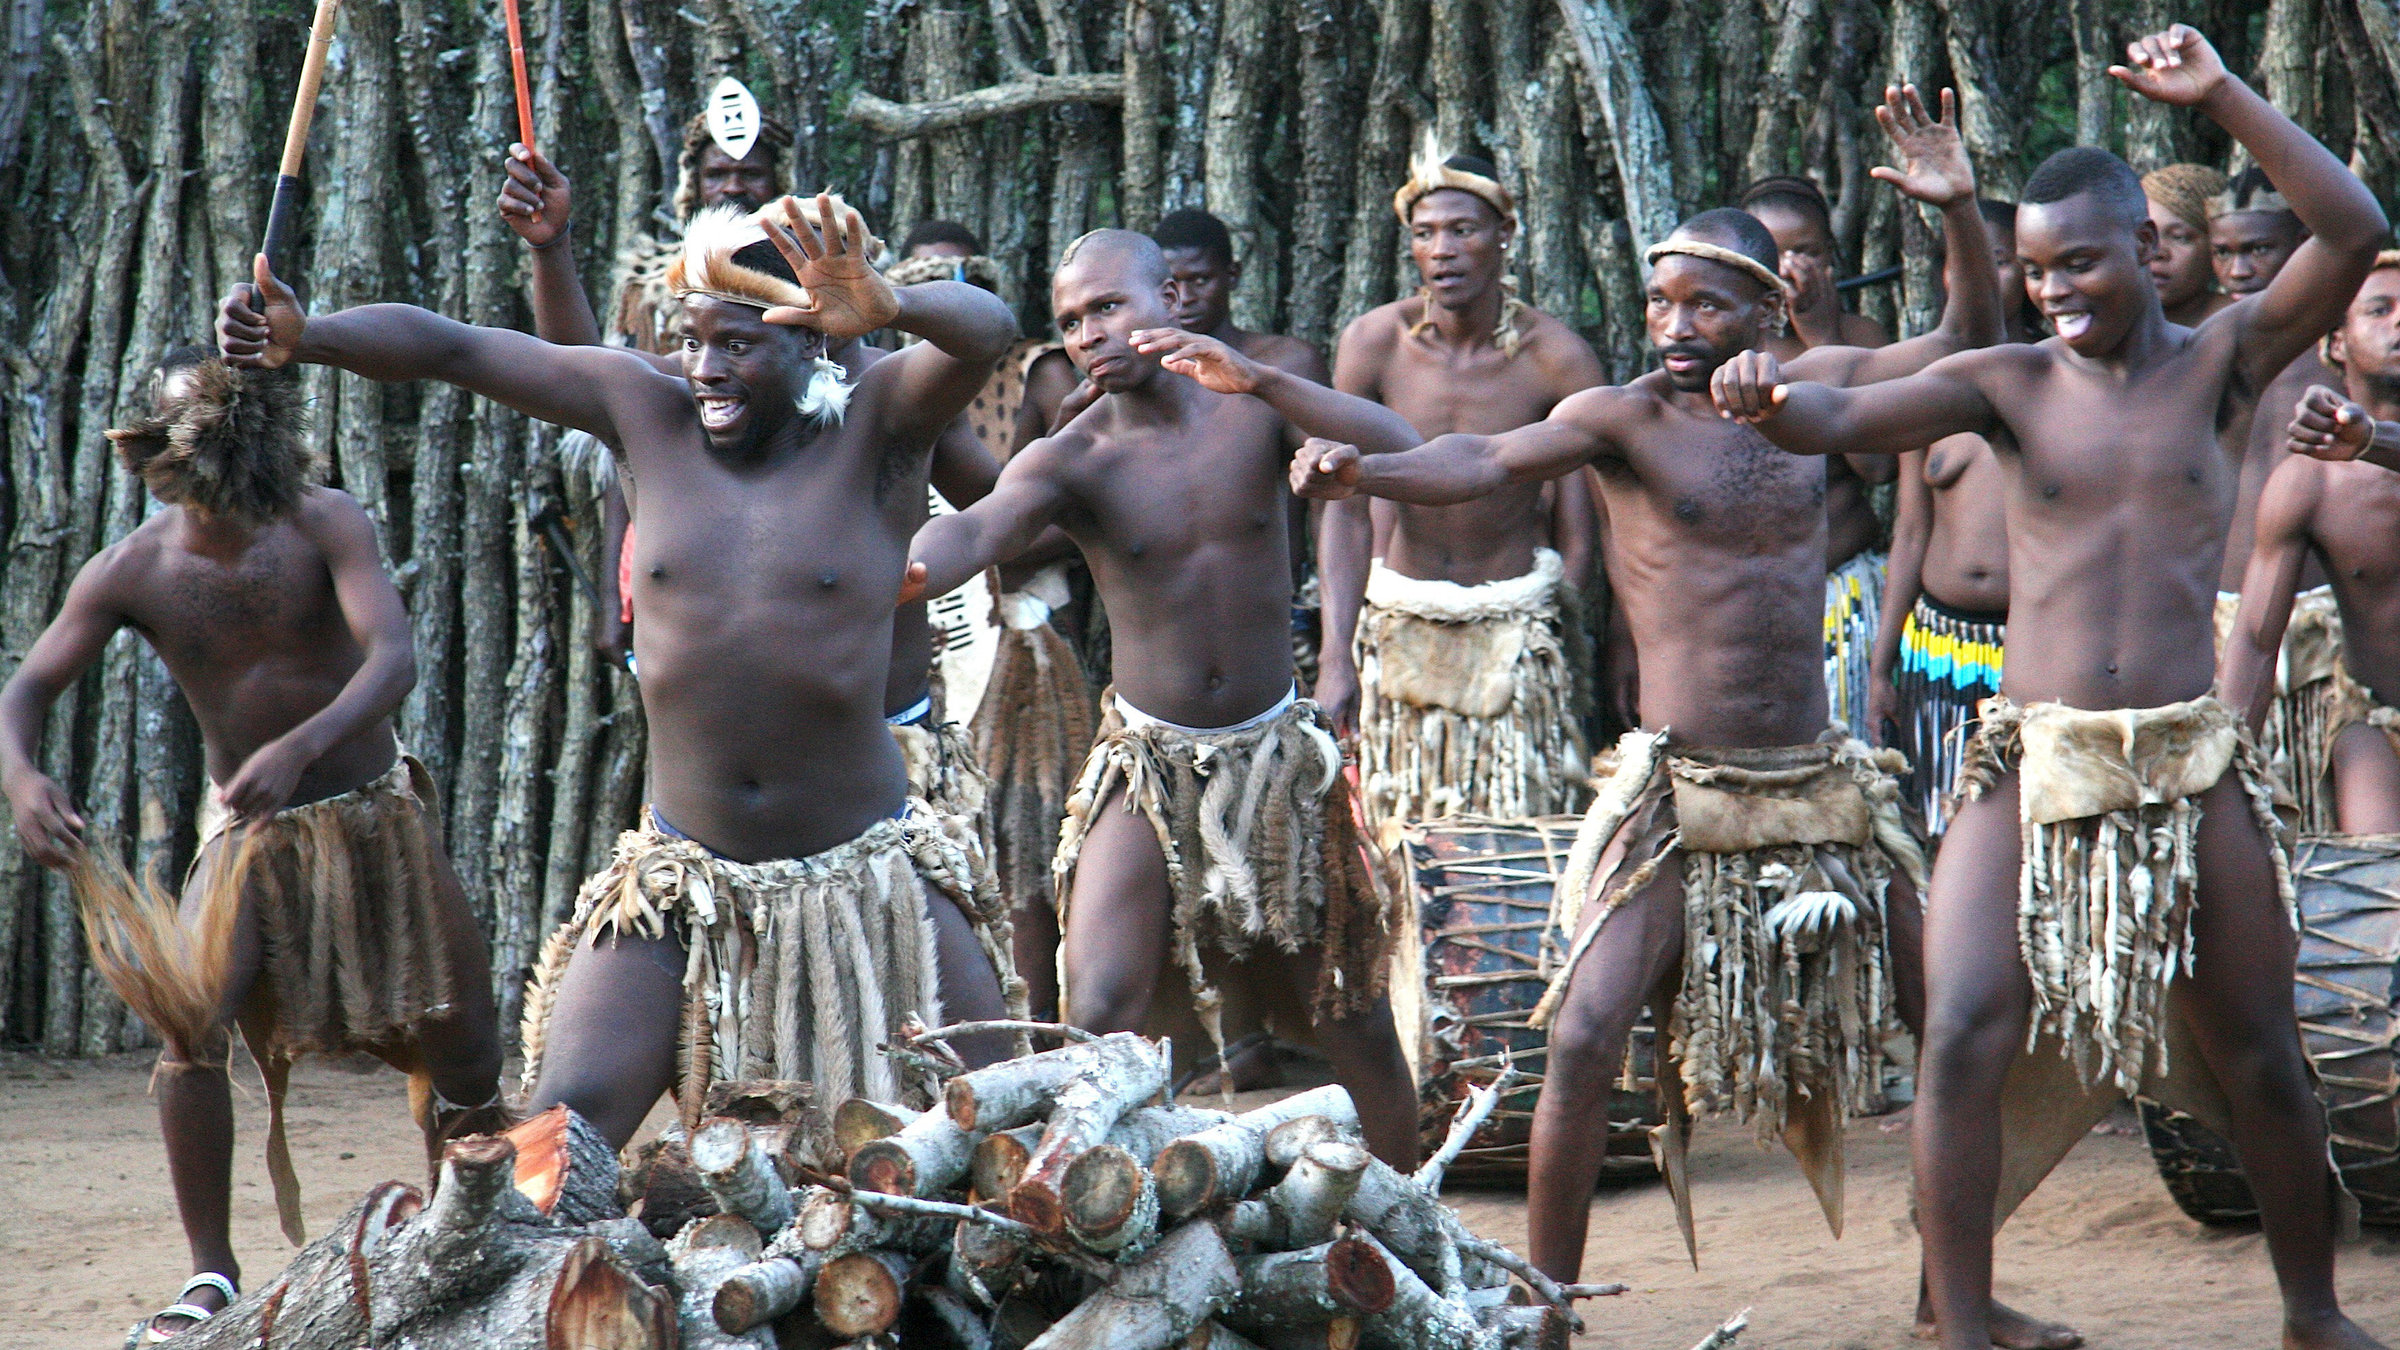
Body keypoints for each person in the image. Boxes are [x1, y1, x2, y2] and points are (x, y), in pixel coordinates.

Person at [1709, 28, 2390, 1350]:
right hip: (2035, 757)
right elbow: (1837, 421)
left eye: (2078, 260)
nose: (2054, 289)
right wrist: (1761, 393)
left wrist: (2221, 96)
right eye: (2033, 270)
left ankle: (2312, 1309)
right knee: (1962, 1026)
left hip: (2189, 761)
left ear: (2145, 243)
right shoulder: (2007, 384)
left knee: (2258, 1047)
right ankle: (1960, 1318)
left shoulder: (2225, 362)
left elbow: (2353, 224)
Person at [1293, 85, 2005, 1321]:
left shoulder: (1816, 393)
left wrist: (1957, 217)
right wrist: (1370, 466)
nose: (1675, 325)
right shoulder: (1619, 416)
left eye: (1704, 304)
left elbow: (1965, 347)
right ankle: (1545, 1309)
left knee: (1955, 1026)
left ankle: (1958, 1300)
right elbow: (1485, 458)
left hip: (1823, 779)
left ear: (1768, 309)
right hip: (1682, 788)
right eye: (1661, 301)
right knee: (1582, 1039)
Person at [220, 195, 1027, 1146]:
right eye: (695, 341)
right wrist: (309, 336)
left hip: (867, 875)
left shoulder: (880, 429)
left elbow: (990, 335)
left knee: (998, 1125)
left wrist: (891, 305)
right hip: (681, 874)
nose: (707, 368)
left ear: (812, 343)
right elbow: (457, 350)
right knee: (564, 1134)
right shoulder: (644, 412)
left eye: (739, 344)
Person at [0, 349, 504, 1341]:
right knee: (190, 1024)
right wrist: (21, 780)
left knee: (467, 1046)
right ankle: (212, 1272)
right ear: (154, 454)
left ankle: (473, 1243)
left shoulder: (326, 521)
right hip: (252, 841)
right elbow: (22, 693)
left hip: (374, 815)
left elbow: (392, 657)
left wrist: (305, 744)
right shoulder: (133, 570)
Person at [901, 229, 1425, 1165]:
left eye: (1108, 307)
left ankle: (1415, 1233)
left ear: (1172, 299)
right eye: (1069, 321)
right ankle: (1095, 1234)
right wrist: (891, 575)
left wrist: (1264, 387)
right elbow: (979, 532)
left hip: (1275, 758)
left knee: (1354, 1024)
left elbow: (1400, 446)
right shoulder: (1074, 457)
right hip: (1148, 764)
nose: (1089, 334)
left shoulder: (1256, 408)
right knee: (1097, 1006)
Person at [498, 149, 1003, 826]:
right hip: (720, 791)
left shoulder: (903, 401)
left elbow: (992, 495)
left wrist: (941, 560)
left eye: (838, 275)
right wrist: (551, 249)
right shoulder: (721, 373)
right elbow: (580, 373)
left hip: (884, 756)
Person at [1318, 142, 1605, 831]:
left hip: (1515, 628)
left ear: (1505, 236)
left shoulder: (1556, 358)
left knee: (1516, 843)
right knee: (1398, 846)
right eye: (1425, 234)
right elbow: (1344, 511)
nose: (1441, 250)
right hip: (1399, 624)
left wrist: (1574, 633)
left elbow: (1597, 516)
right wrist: (1337, 655)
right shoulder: (1373, 344)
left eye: (1462, 230)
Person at [1869, 198, 2037, 838]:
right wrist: (1881, 665)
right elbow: (1910, 530)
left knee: (2021, 822)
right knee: (1936, 819)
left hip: (2029, 642)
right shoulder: (1929, 388)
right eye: (1968, 262)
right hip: (1936, 644)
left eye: (2003, 262)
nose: (1986, 278)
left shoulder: (2052, 377)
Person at [2223, 255, 2400, 835]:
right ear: (2336, 342)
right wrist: (2224, 772)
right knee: (2378, 882)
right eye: (2381, 310)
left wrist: (2371, 440)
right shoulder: (2310, 482)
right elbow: (2254, 639)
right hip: (2377, 713)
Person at [1744, 173, 1901, 744]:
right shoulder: (1724, 347)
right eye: (1774, 254)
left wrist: (1821, 334)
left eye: (1805, 252)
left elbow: (1879, 469)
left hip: (1843, 598)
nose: (1790, 269)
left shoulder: (1861, 336)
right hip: (1751, 605)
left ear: (1831, 259)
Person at [2143, 163, 2234, 327]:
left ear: (2216, 249)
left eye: (2180, 238)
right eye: (2145, 237)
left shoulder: (2242, 327)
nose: (2157, 252)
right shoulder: (2103, 329)